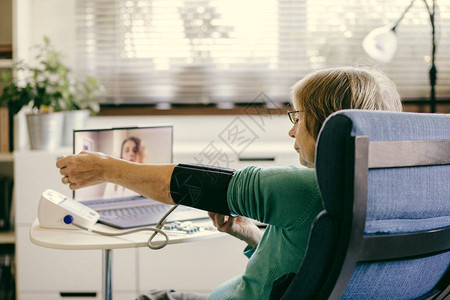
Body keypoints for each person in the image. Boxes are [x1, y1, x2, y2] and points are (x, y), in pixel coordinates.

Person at [56, 66, 402, 300]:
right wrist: (251, 235)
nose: (292, 129)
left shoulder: (306, 188)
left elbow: (187, 184)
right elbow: (307, 262)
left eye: (299, 117)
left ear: (328, 123)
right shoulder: (386, 192)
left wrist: (105, 168)